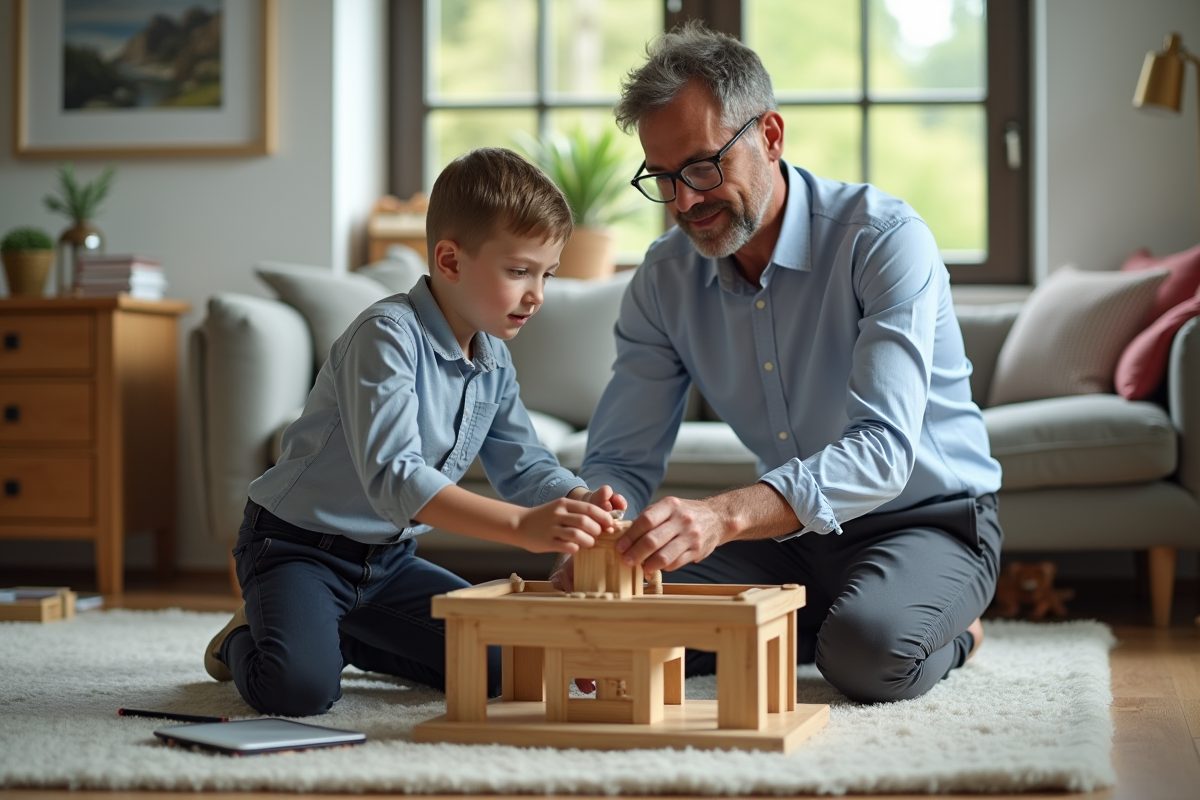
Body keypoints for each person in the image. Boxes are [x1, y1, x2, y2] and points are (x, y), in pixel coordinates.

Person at [554, 23, 1003, 704]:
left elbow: (883, 453)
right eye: (664, 178)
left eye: (702, 168)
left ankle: (958, 627)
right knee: (604, 623)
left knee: (865, 657)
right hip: (791, 538)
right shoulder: (663, 278)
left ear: (769, 136)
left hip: (927, 518)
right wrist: (597, 539)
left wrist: (724, 516)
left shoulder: (884, 241)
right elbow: (622, 454)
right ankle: (815, 616)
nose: (684, 202)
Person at [204, 148, 624, 717]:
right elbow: (395, 478)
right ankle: (242, 637)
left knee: (502, 667)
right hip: (297, 549)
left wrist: (576, 500)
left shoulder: (493, 360)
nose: (537, 295)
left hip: (387, 561)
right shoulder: (386, 336)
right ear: (449, 261)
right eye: (519, 271)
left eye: (546, 274)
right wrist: (523, 527)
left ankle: (338, 635)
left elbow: (524, 465)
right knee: (299, 690)